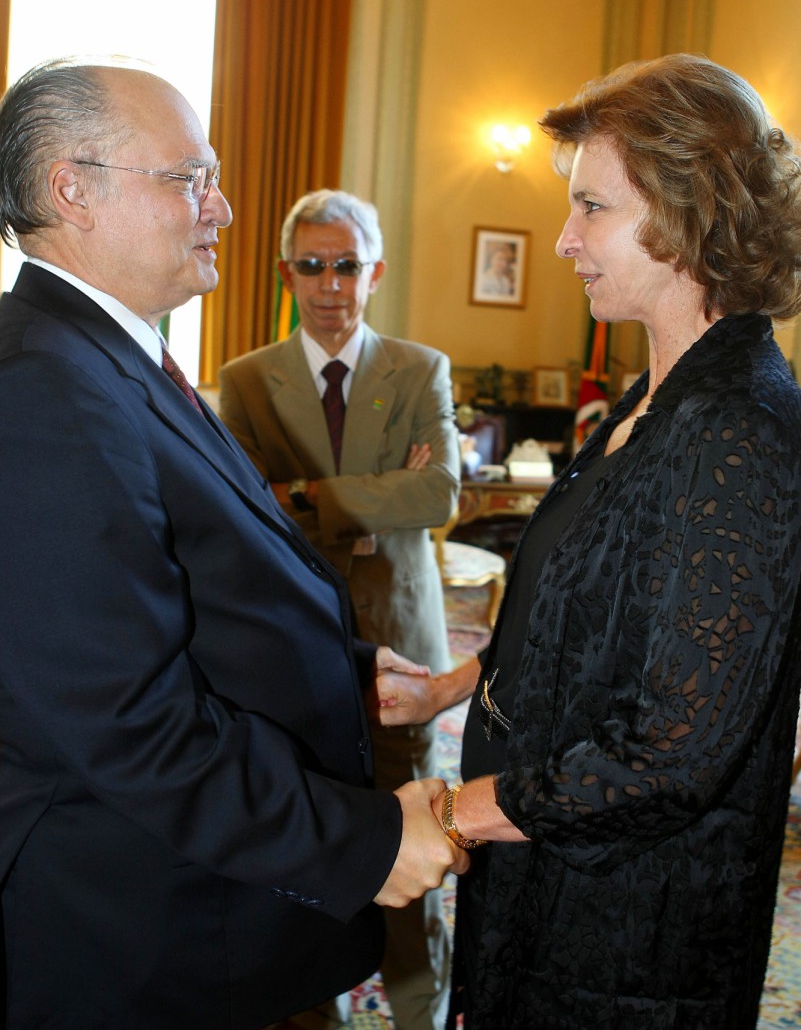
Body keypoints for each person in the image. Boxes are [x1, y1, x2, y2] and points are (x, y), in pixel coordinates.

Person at [0, 58, 469, 1030]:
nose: (220, 208)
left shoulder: (106, 354)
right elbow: (124, 719)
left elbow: (174, 593)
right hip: (136, 925)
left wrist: (344, 667)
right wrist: (359, 843)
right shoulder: (43, 386)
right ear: (71, 191)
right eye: (190, 178)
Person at [375, 53, 801, 1029]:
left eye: (591, 207)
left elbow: (672, 756)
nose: (565, 239)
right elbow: (583, 622)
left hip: (630, 931)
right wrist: (450, 687)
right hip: (546, 874)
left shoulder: (738, 430)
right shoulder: (651, 400)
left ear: (689, 211)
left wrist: (452, 814)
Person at [218, 188, 462, 1030]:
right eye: (313, 265)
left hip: (400, 646)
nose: (330, 284)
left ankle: (420, 1009)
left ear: (375, 273)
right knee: (308, 845)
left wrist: (304, 495)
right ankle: (315, 1013)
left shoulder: (421, 368)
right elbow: (245, 512)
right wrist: (378, 493)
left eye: (347, 265)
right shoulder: (246, 381)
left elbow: (438, 493)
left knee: (413, 832)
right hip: (295, 648)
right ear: (287, 274)